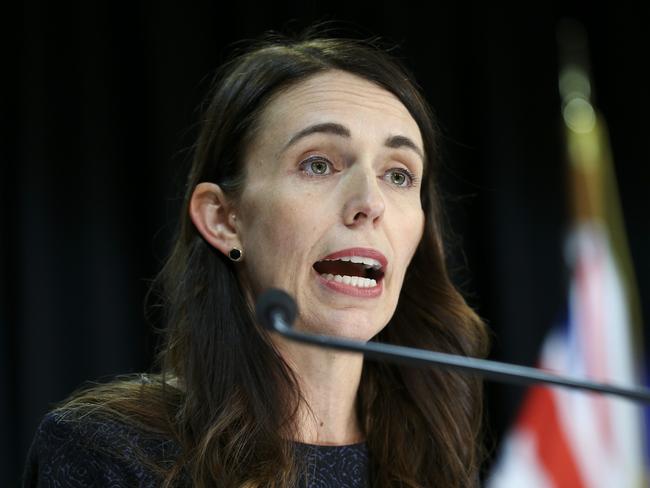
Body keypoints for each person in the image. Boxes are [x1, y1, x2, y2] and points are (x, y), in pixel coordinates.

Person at [23, 30, 489, 487]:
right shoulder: (108, 451)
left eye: (399, 174)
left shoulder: (433, 454)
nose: (370, 201)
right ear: (224, 219)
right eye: (318, 164)